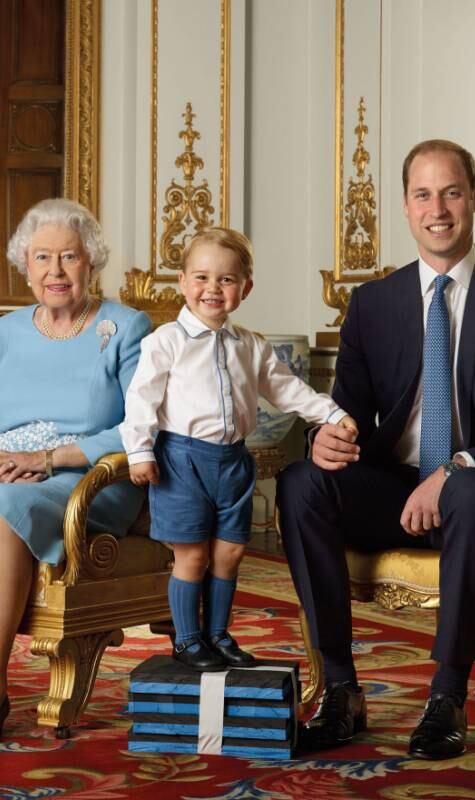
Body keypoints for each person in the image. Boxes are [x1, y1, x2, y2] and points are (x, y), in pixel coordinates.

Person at [277, 139, 475, 760]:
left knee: (466, 488)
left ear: (473, 198)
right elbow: (349, 416)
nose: (437, 208)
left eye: (450, 192)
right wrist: (324, 438)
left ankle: (447, 697)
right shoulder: (374, 304)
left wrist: (459, 466)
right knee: (302, 481)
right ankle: (339, 690)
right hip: (399, 489)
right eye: (422, 195)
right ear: (406, 209)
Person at [0, 198, 151, 748]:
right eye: (42, 257)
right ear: (25, 265)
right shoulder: (4, 332)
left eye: (69, 256)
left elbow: (140, 427)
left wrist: (48, 459)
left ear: (91, 262)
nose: (55, 271)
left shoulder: (124, 326)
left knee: (2, 517)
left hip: (85, 481)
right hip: (1, 475)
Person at [120, 227, 356, 672]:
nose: (213, 289)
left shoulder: (250, 345)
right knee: (191, 554)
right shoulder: (165, 342)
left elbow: (287, 390)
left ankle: (218, 633)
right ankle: (187, 640)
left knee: (228, 552)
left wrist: (329, 413)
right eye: (202, 278)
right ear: (183, 283)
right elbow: (141, 400)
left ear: (245, 288)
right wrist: (139, 452)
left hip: (233, 462)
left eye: (226, 280)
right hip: (182, 460)